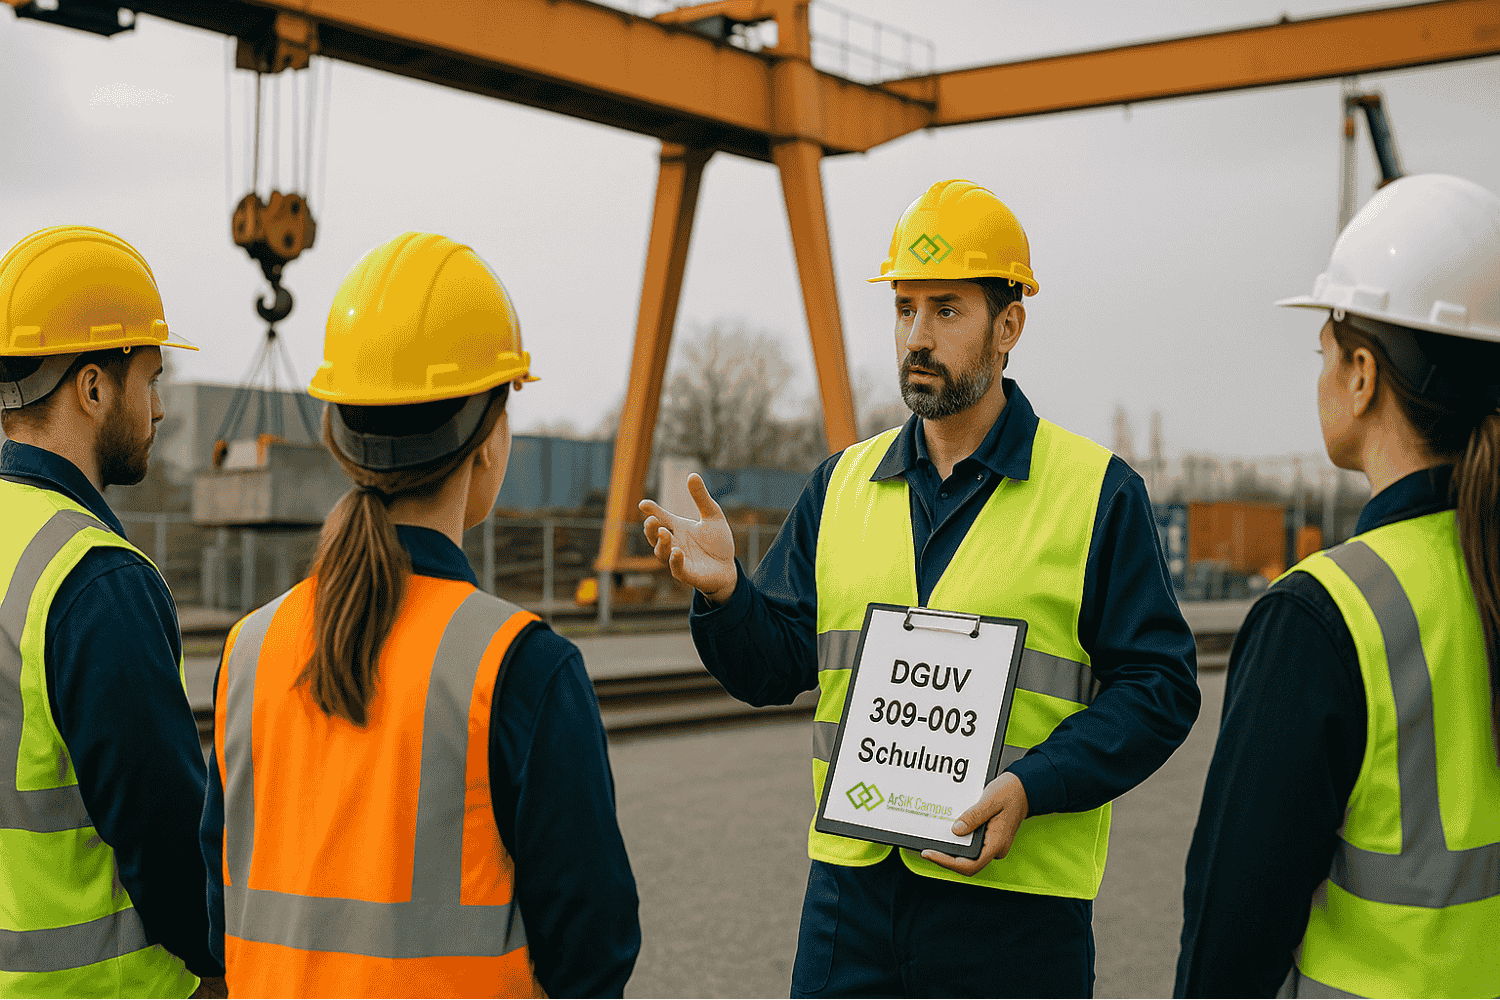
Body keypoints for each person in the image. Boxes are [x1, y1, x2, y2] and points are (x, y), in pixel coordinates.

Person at [641, 179, 1201, 997]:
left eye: (947, 309)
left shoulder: (1096, 493)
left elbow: (1159, 688)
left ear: (1009, 325)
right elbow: (775, 666)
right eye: (905, 308)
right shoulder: (842, 484)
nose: (917, 335)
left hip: (1013, 913)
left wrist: (1033, 784)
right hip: (850, 903)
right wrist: (728, 597)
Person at [200, 231, 640, 998]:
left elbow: (216, 916)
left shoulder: (252, 649)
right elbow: (593, 949)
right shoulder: (521, 667)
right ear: (489, 440)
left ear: (338, 436)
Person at [1176, 173, 1500, 998]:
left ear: (1362, 375)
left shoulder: (1322, 616)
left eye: (1321, 352)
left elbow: (1233, 938)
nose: (1318, 375)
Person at [0, 226, 225, 996]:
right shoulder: (95, 580)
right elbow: (167, 845)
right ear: (94, 387)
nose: (158, 410)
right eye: (150, 380)